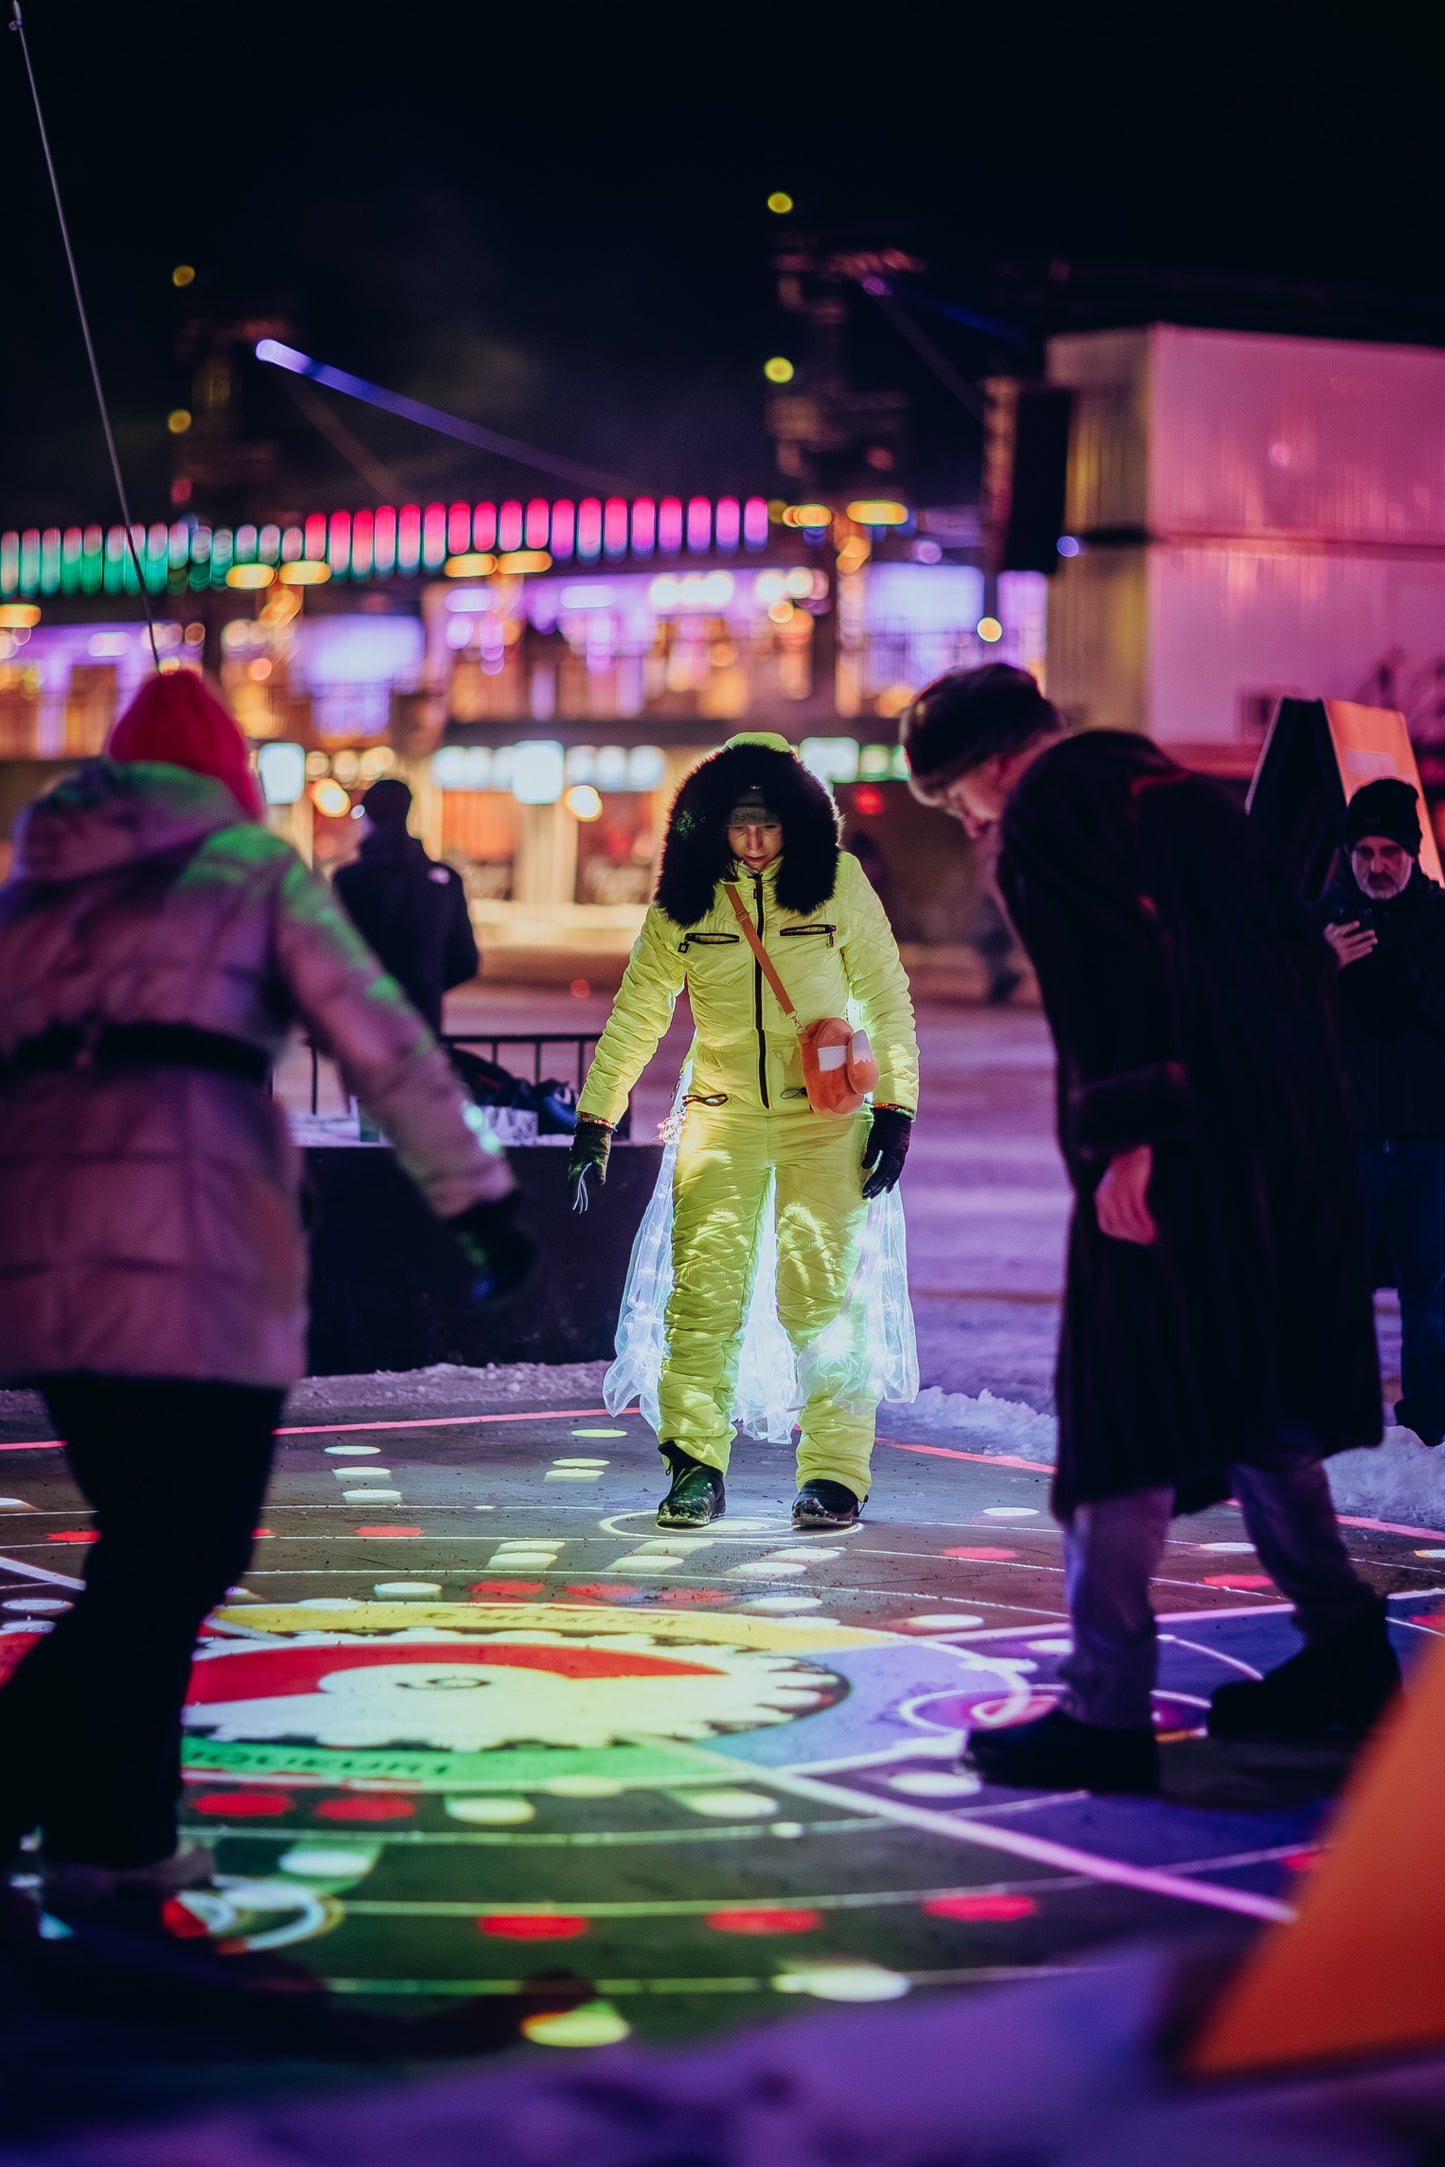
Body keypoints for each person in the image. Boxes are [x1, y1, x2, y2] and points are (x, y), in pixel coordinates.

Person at [0, 671, 529, 1914]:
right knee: (185, 1554)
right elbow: (382, 1038)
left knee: (141, 1552)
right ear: (232, 780)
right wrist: (477, 1198)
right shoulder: (252, 873)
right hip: (200, 1250)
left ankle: (115, 1835)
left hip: (39, 1262)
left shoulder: (25, 899)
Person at [901, 663, 1393, 1793]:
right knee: (1258, 1397)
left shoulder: (1047, 812)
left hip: (1176, 1149)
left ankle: (1105, 1705)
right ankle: (1344, 1654)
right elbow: (1286, 959)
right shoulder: (1170, 792)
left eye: (951, 802)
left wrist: (1132, 1132)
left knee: (1120, 1408)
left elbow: (1109, 977)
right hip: (1284, 1146)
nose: (966, 822)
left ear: (982, 768)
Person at [567, 732, 919, 1532]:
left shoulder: (835, 886)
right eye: (738, 826)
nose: (754, 843)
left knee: (823, 1299)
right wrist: (597, 1114)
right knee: (702, 1301)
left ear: (796, 821)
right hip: (720, 1116)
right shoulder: (685, 899)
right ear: (710, 826)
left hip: (822, 1120)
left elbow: (887, 998)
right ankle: (693, 1466)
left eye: (767, 825)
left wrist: (895, 1110)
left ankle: (834, 1474)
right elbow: (639, 1008)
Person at [1316, 778, 1445, 1448]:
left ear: (1412, 851)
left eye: (1389, 849)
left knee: (1430, 1295)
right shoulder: (1319, 921)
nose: (1376, 863)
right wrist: (1319, 965)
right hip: (1347, 1142)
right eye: (1363, 849)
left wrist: (1416, 986)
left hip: (1428, 1142)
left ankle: (1430, 1427)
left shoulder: (1440, 920)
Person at [333, 776, 478, 1035]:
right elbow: (466, 960)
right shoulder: (443, 881)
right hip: (423, 1019)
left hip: (365, 1024)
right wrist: (425, 984)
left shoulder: (350, 881)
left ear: (368, 817)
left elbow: (335, 957)